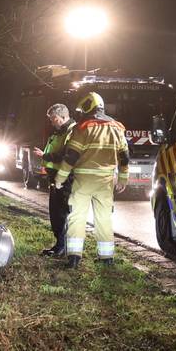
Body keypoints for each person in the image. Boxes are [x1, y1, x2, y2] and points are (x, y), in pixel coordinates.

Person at [52, 92, 129, 269]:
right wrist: (123, 179)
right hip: (106, 182)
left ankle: (74, 258)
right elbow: (124, 156)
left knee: (77, 217)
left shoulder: (82, 127)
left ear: (86, 107)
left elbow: (71, 157)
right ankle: (106, 257)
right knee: (104, 218)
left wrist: (59, 179)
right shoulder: (117, 127)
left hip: (83, 182)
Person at [39, 104, 76, 256]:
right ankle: (60, 246)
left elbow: (66, 154)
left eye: (53, 119)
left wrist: (45, 156)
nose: (51, 122)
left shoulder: (71, 131)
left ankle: (63, 248)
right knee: (56, 213)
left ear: (60, 117)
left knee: (62, 213)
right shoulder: (61, 131)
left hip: (65, 179)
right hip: (57, 177)